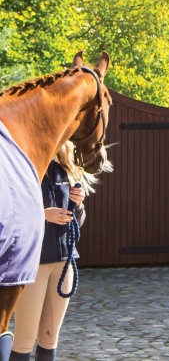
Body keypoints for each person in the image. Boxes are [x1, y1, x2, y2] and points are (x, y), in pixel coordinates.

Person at [10, 142, 95, 361]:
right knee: (25, 338)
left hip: (65, 263)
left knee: (49, 337)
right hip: (33, 264)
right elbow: (10, 214)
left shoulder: (65, 166)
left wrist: (78, 205)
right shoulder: (23, 164)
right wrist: (43, 214)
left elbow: (78, 222)